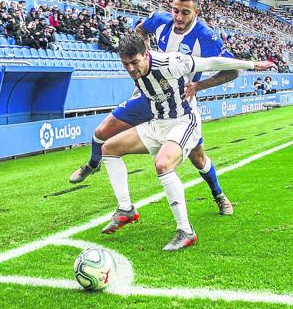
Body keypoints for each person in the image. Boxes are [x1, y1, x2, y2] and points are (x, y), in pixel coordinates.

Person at [70, 0, 242, 215]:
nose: (178, 17)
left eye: (185, 12)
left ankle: (218, 194)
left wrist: (199, 85)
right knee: (102, 132)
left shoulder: (206, 37)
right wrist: (144, 55)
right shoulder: (160, 21)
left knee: (198, 158)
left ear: (196, 12)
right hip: (148, 96)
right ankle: (93, 164)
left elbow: (233, 72)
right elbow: (140, 30)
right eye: (175, 10)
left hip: (180, 105)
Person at [100, 34, 276, 250]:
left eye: (134, 62)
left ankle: (186, 230)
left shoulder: (171, 62)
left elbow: (212, 62)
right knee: (108, 148)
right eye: (125, 64)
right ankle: (126, 208)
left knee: (165, 164)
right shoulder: (135, 67)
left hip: (184, 120)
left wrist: (251, 64)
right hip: (158, 123)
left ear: (146, 54)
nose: (130, 68)